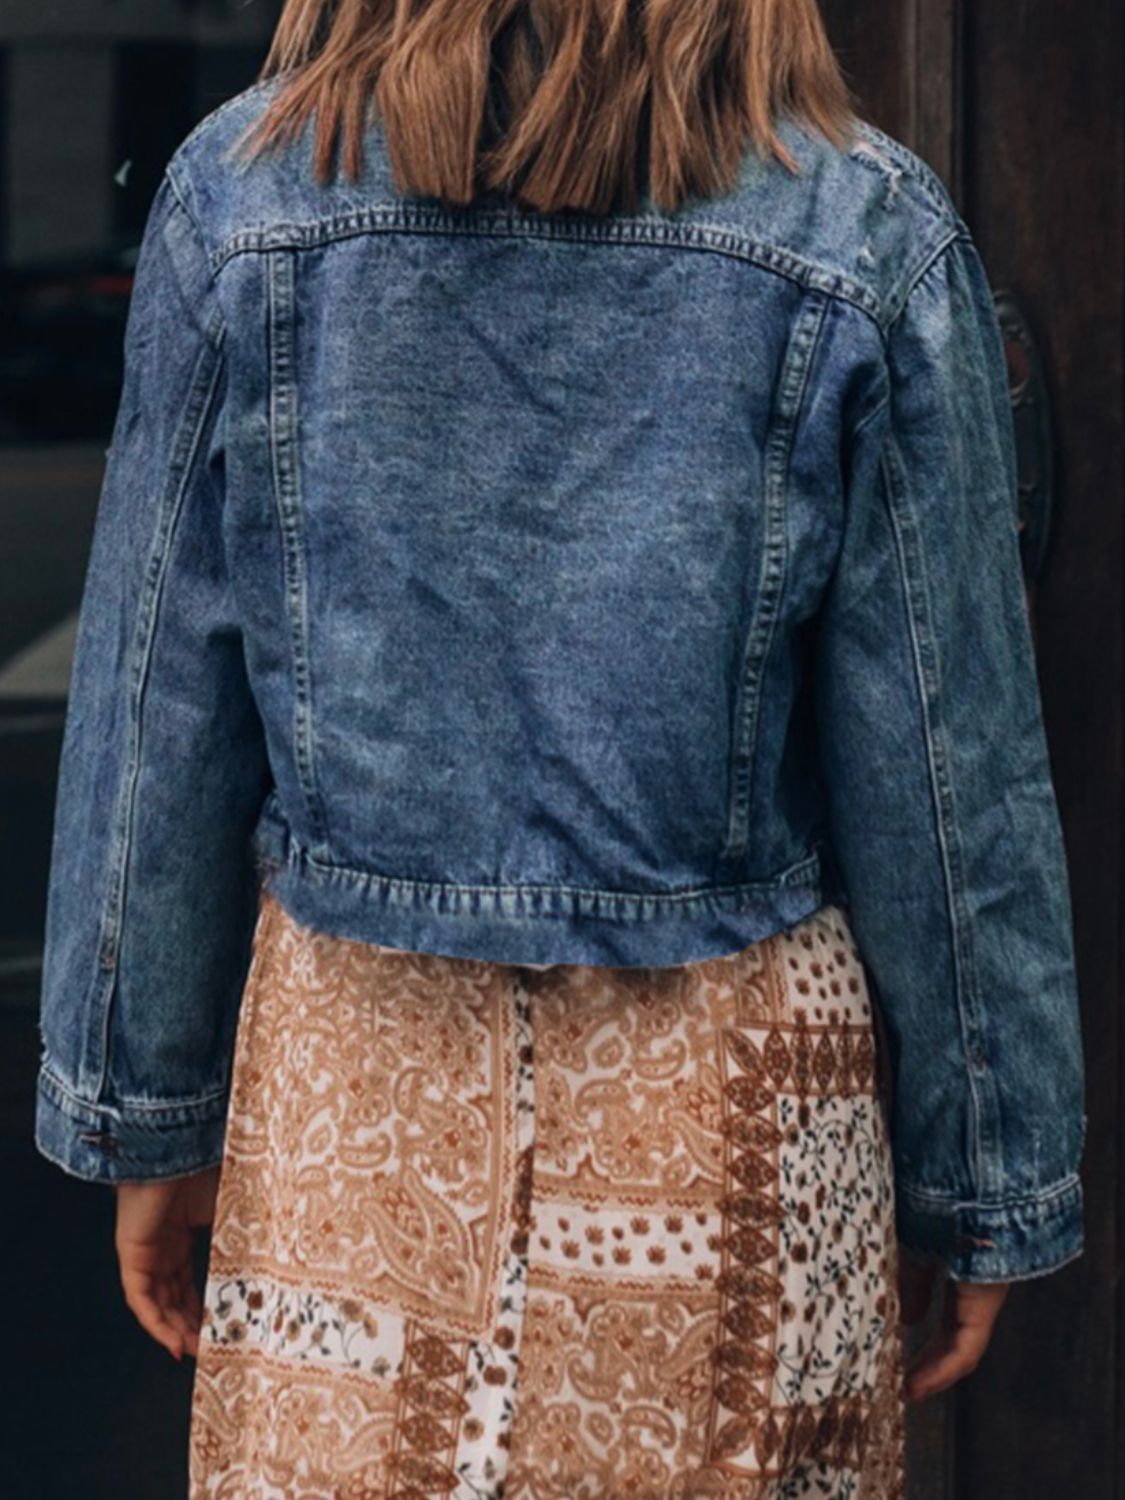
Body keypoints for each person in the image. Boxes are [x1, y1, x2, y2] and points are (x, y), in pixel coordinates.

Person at [35, 0, 1087, 1494]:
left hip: (356, 1089)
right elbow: (944, 763)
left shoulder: (239, 197)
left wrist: (145, 1109)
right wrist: (989, 1170)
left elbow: (157, 703)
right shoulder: (862, 225)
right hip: (731, 1098)